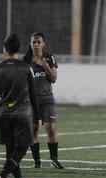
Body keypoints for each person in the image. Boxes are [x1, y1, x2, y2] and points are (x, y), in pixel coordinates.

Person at [0, 33, 38, 178]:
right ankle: (1, 176)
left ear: (4, 48)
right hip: (22, 113)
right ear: (18, 49)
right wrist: (38, 116)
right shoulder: (25, 67)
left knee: (10, 150)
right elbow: (33, 94)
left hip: (3, 114)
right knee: (23, 147)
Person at [24, 32, 63, 169]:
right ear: (30, 44)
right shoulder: (25, 60)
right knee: (33, 130)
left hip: (47, 99)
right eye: (33, 42)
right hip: (31, 101)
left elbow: (53, 79)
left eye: (38, 42)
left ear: (43, 43)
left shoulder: (49, 57)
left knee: (51, 129)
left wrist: (44, 65)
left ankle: (54, 159)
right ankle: (37, 162)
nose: (35, 44)